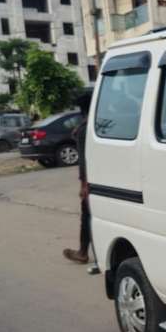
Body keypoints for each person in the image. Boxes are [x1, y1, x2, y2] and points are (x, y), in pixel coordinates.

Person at [63, 89, 95, 267]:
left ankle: (83, 252)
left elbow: (84, 160)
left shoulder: (83, 129)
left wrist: (84, 185)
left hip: (92, 180)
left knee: (87, 215)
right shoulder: (99, 123)